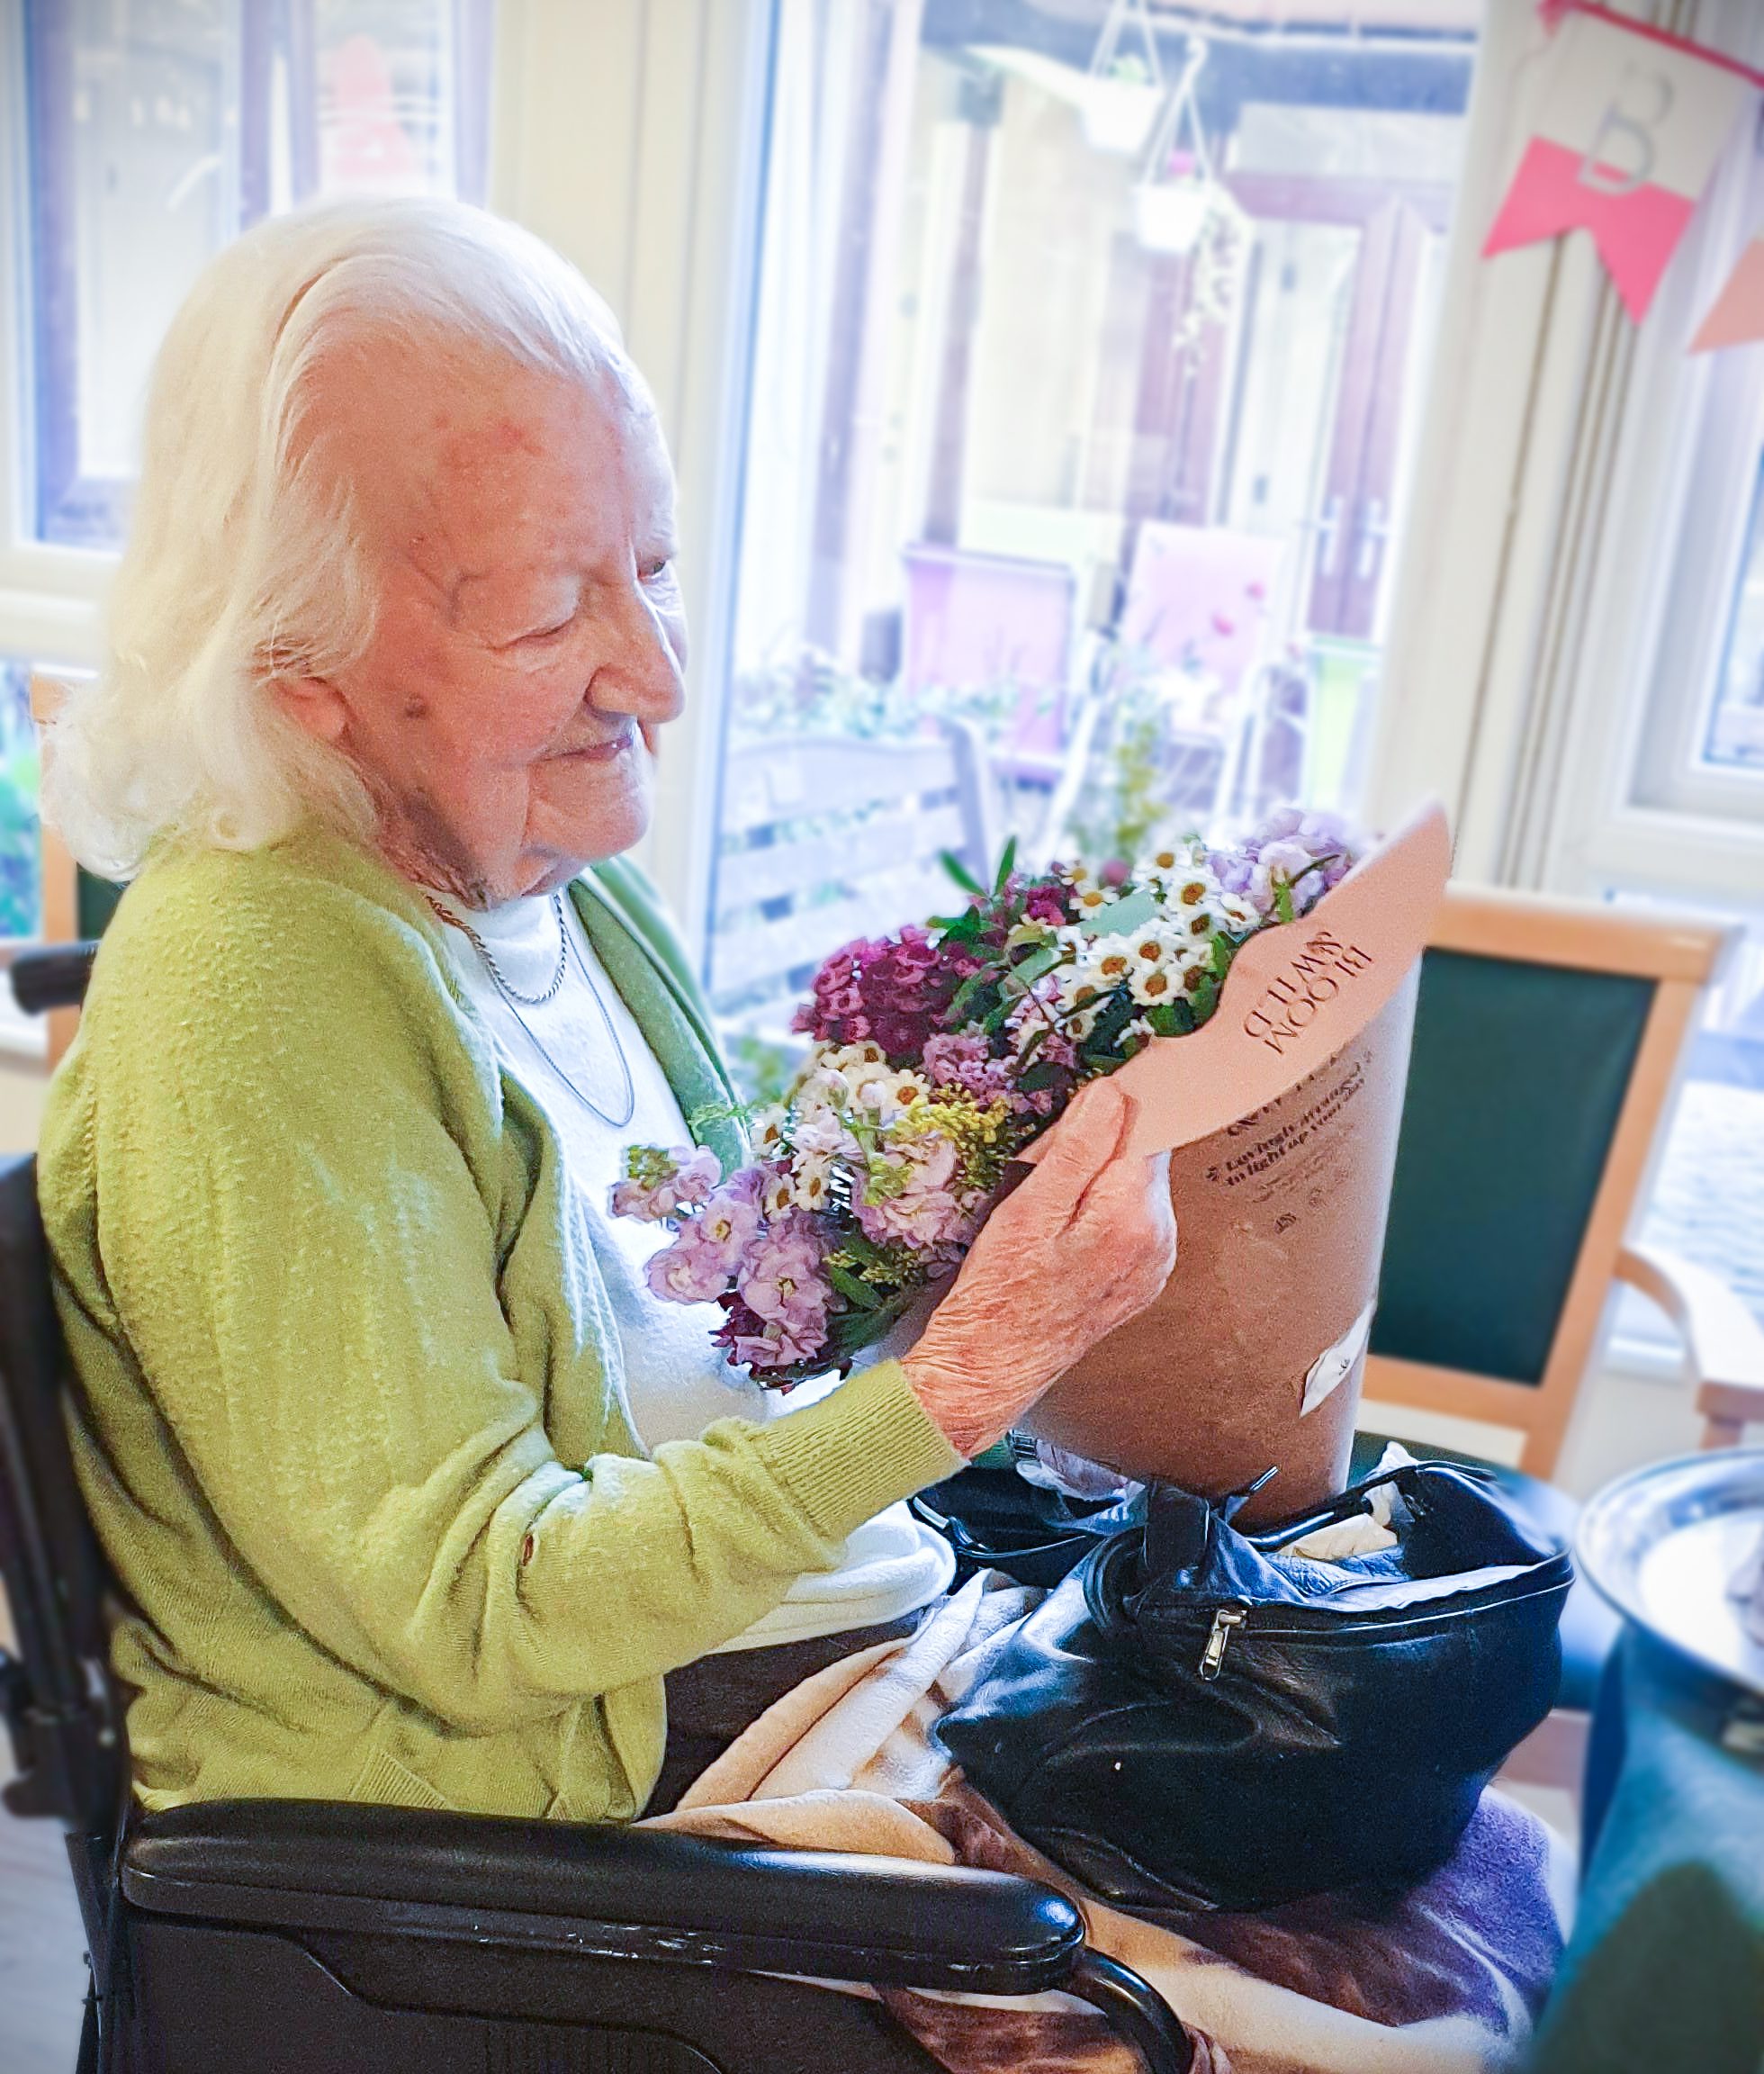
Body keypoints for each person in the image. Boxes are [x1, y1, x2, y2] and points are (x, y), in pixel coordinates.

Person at [38, 197, 1174, 1822]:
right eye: (545, 611)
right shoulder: (255, 980)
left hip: (839, 1666)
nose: (655, 673)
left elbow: (721, 1342)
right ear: (302, 659)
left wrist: (961, 1256)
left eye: (651, 567)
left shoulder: (558, 872)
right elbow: (483, 1608)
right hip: (580, 1827)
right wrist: (961, 1382)